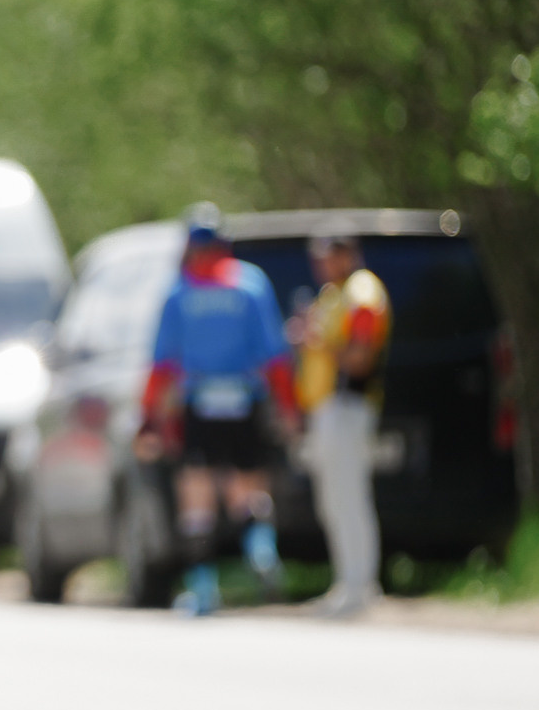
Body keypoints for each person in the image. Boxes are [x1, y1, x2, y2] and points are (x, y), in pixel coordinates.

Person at [138, 205, 295, 616]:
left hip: (199, 401)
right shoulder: (251, 286)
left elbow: (162, 367)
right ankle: (261, 549)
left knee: (197, 496)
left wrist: (148, 419)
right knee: (248, 489)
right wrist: (289, 408)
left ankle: (204, 588)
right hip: (246, 399)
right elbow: (275, 358)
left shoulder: (179, 294)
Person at [296, 234, 390, 618]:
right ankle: (346, 583)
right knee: (333, 501)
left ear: (348, 254)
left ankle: (361, 585)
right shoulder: (333, 293)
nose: (321, 264)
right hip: (327, 409)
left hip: (349, 404)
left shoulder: (362, 291)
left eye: (329, 256)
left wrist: (318, 341)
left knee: (349, 497)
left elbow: (360, 357)